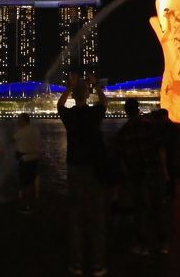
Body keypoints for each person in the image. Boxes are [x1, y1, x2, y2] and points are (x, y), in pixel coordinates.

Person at [58, 72, 108, 277]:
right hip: (94, 168)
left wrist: (69, 87)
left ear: (74, 96)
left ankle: (76, 265)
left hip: (75, 168)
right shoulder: (95, 113)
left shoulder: (69, 115)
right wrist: (95, 85)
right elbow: (105, 103)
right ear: (87, 96)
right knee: (96, 216)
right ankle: (97, 265)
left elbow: (59, 105)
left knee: (76, 216)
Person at [116, 102, 170, 256]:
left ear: (126, 112)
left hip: (137, 175)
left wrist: (125, 178)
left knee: (141, 210)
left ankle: (143, 245)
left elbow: (122, 158)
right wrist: (165, 171)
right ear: (138, 110)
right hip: (155, 172)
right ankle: (163, 244)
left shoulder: (123, 132)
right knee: (158, 208)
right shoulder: (151, 126)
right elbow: (161, 149)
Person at [13, 113, 42, 213]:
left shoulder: (22, 131)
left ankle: (26, 205)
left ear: (23, 121)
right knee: (32, 180)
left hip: (26, 159)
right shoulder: (35, 129)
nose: (17, 121)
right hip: (35, 158)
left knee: (26, 182)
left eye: (19, 119)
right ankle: (33, 201)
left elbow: (12, 139)